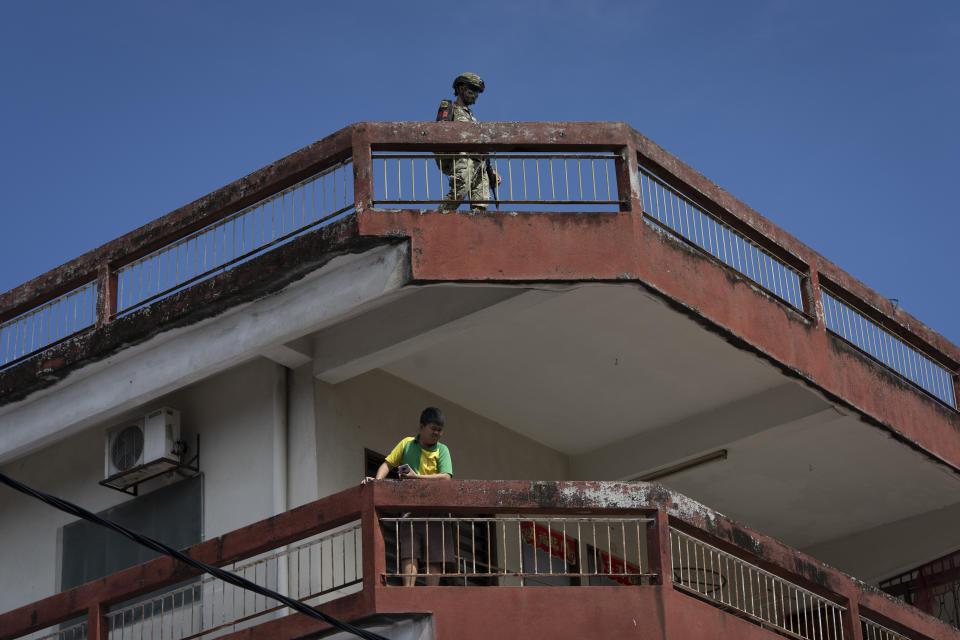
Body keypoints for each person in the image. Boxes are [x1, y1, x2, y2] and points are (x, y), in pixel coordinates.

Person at [363, 407, 454, 586]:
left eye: (440, 429)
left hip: (435, 510)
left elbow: (446, 478)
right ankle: (408, 592)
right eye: (433, 428)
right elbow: (387, 464)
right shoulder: (407, 444)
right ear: (421, 427)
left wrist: (415, 477)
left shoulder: (442, 450)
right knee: (409, 552)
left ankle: (432, 596)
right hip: (410, 510)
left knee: (434, 556)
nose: (437, 433)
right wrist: (377, 481)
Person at [435, 72, 501, 211]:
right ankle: (437, 217)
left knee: (481, 201)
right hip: (461, 157)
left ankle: (477, 229)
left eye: (477, 91)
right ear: (461, 88)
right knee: (460, 191)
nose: (475, 94)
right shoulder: (449, 106)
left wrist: (491, 171)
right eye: (472, 89)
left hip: (478, 163)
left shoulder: (472, 118)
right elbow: (440, 131)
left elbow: (481, 147)